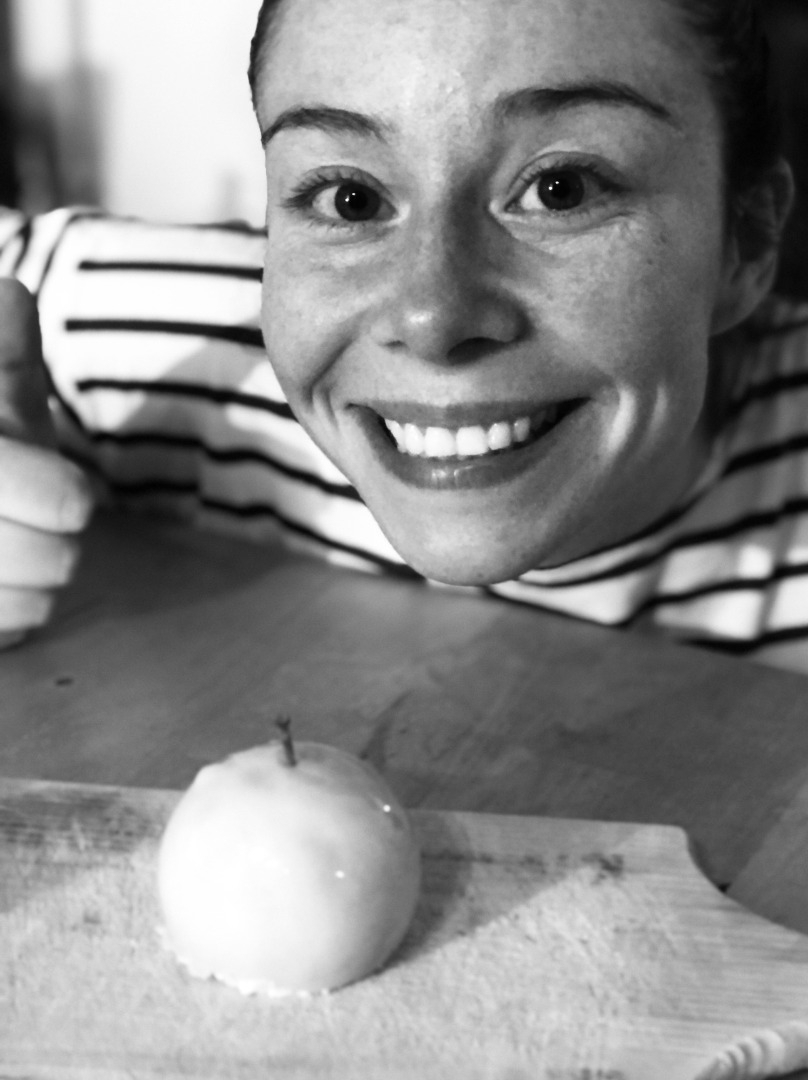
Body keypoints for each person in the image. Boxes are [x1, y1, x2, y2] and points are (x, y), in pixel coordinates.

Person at [0, 0, 805, 670]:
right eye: (349, 198)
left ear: (747, 240)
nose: (432, 320)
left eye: (561, 190)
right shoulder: (152, 334)